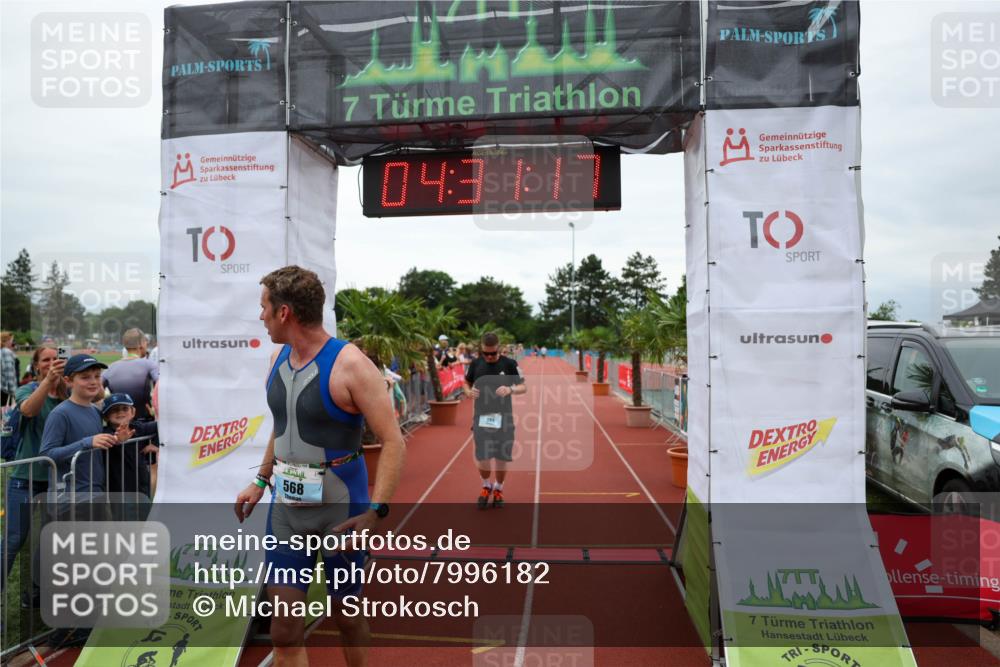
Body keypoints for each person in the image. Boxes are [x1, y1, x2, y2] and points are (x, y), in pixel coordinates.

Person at [234, 265, 406, 667]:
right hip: (287, 512)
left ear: (284, 312)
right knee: (284, 629)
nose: (260, 316)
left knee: (346, 617)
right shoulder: (279, 357)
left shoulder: (351, 365)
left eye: (264, 307)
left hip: (341, 511)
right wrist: (260, 479)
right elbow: (284, 425)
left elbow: (394, 441)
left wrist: (376, 512)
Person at [1, 345, 65, 605]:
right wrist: (48, 382)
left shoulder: (68, 392)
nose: (51, 363)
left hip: (56, 479)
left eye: (55, 359)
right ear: (37, 365)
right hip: (25, 478)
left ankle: (36, 593)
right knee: (15, 538)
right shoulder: (27, 389)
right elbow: (28, 410)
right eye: (45, 360)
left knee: (52, 539)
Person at [40, 355, 131, 495]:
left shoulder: (95, 410)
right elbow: (46, 457)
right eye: (85, 377)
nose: (93, 382)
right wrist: (86, 443)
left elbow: (95, 444)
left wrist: (116, 440)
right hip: (70, 499)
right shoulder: (60, 414)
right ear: (68, 381)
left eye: (97, 376)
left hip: (96, 492)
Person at [464, 332, 526, 509]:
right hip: (482, 418)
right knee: (483, 457)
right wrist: (468, 392)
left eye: (493, 353)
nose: (490, 357)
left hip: (504, 419)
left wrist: (511, 389)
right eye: (486, 354)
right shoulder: (475, 364)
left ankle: (498, 488)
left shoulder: (509, 364)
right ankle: (486, 485)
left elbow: (523, 386)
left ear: (499, 348)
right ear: (481, 350)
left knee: (501, 459)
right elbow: (466, 382)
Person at [101, 393, 158, 498]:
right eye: (114, 410)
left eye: (125, 408)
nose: (120, 412)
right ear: (106, 416)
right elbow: (105, 441)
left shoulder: (138, 428)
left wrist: (156, 444)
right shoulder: (105, 433)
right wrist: (117, 439)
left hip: (142, 487)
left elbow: (161, 426)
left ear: (133, 412)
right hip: (119, 491)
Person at [103, 328, 159, 421]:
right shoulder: (149, 365)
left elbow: (97, 393)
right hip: (144, 421)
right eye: (146, 342)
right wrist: (155, 410)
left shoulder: (110, 368)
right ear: (141, 344)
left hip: (117, 424)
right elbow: (161, 387)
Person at [1, 331, 18, 406]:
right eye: (11, 340)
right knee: (6, 415)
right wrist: (14, 392)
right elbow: (9, 373)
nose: (12, 342)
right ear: (7, 341)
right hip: (4, 391)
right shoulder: (6, 352)